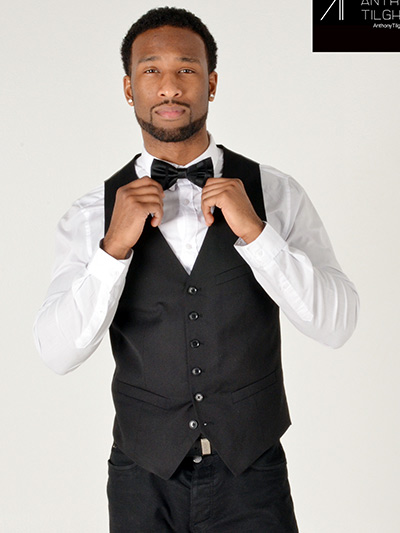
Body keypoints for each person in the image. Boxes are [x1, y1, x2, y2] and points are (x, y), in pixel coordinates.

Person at [34, 7, 359, 532]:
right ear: (128, 88)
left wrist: (257, 234)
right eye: (151, 70)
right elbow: (55, 352)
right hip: (142, 480)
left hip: (253, 477)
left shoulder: (275, 193)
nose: (169, 87)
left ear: (211, 83)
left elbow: (337, 324)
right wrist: (112, 249)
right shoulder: (92, 213)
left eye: (186, 69)